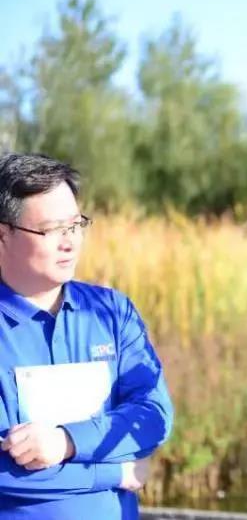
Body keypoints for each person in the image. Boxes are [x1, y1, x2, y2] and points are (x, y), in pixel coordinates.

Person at [0, 153, 173, 519]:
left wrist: (65, 442)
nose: (70, 242)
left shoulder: (113, 312)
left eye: (75, 225)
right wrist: (117, 472)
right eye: (51, 230)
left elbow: (153, 416)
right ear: (3, 234)